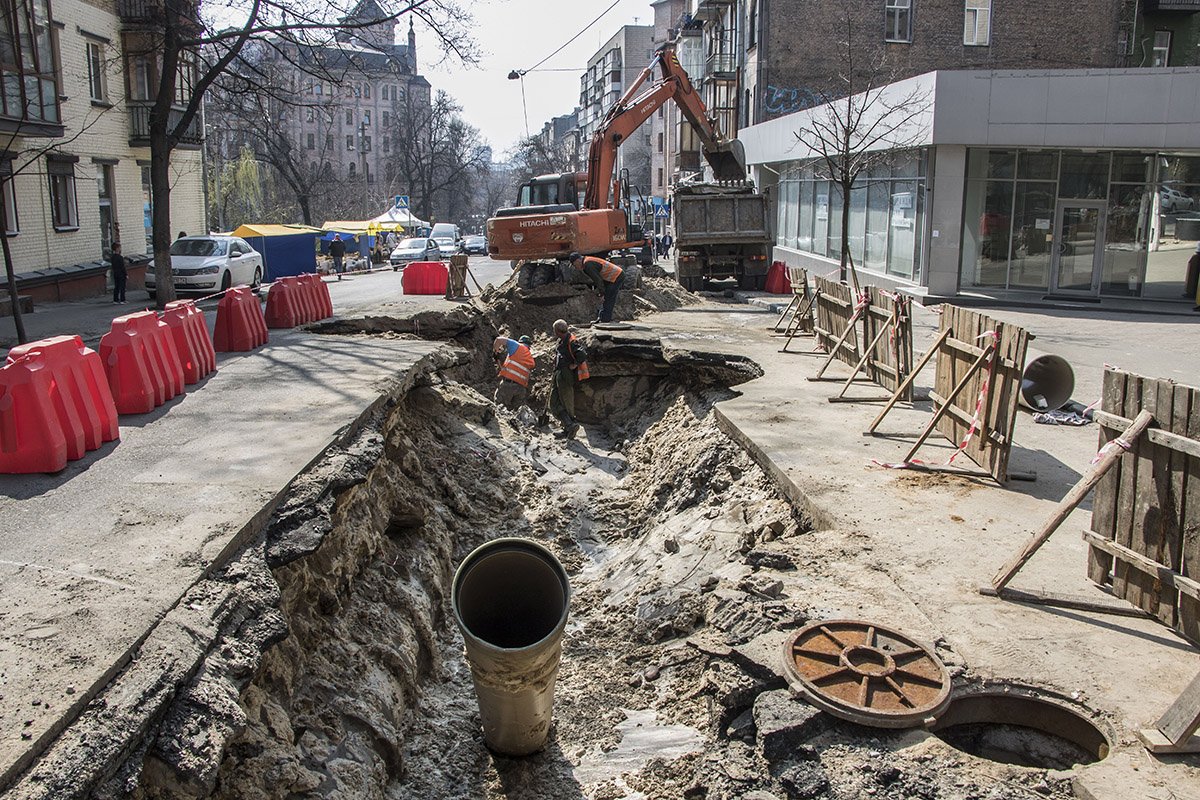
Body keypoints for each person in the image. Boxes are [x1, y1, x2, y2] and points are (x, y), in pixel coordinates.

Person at [549, 319, 589, 439]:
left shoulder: (571, 341)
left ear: (557, 331)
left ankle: (570, 427)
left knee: (566, 402)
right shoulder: (561, 340)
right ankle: (568, 425)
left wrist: (574, 364)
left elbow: (582, 354)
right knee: (554, 402)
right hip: (559, 372)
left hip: (565, 374)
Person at [568, 251, 625, 323]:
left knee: (608, 297)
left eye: (574, 264)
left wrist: (602, 294)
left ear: (577, 260)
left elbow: (598, 280)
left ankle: (605, 320)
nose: (575, 267)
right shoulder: (587, 262)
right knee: (606, 297)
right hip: (611, 277)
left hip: (616, 276)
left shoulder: (588, 264)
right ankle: (602, 318)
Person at [492, 335, 535, 410]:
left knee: (498, 408)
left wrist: (495, 352)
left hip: (508, 385)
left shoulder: (517, 346)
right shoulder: (530, 359)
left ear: (520, 342)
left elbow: (498, 340)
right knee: (516, 412)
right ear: (529, 346)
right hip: (521, 390)